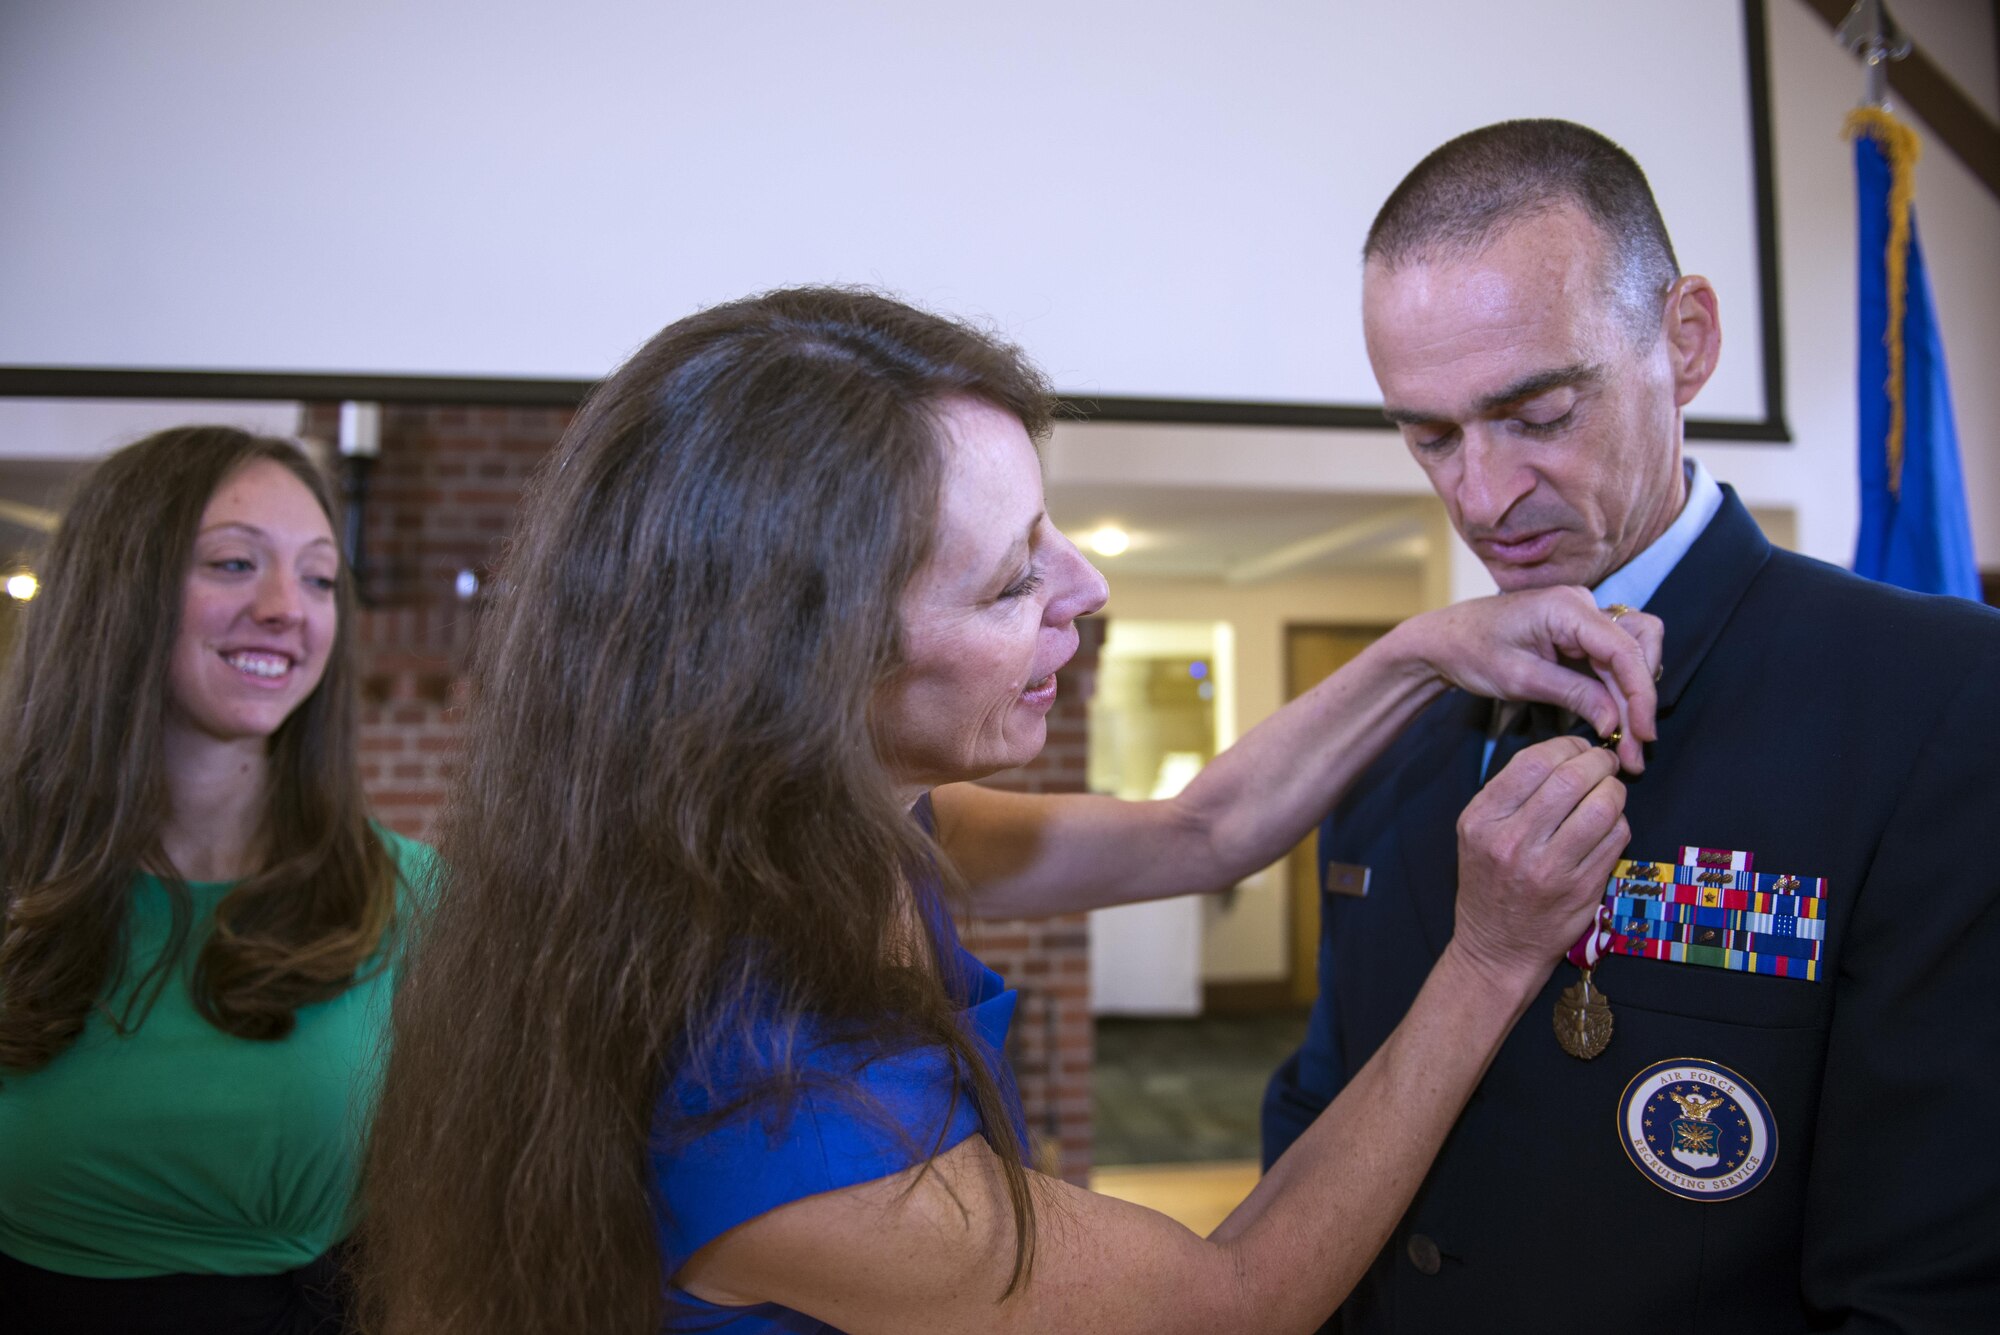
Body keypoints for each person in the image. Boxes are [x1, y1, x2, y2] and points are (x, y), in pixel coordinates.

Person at [360, 285, 1666, 1335]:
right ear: (814, 671)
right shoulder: (767, 1107)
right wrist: (1493, 954)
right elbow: (1234, 1301)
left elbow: (1200, 829)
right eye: (1007, 584)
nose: (1087, 587)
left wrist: (1428, 648)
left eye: (1056, 531)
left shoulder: (833, 827)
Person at [1264, 119, 2000, 1333]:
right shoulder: (1398, 726)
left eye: (1539, 413)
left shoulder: (1927, 698)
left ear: (1685, 340)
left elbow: (1929, 1281)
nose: (1481, 496)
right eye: (1428, 436)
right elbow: (1316, 1104)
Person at [0, 427, 437, 1335]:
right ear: (119, 592)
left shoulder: (415, 897)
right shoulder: (17, 878)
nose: (288, 607)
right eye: (236, 563)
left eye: (320, 577)